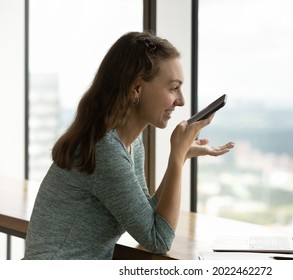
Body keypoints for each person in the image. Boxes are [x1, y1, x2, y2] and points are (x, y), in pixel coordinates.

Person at [23, 31, 234, 260]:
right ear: (136, 89)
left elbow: (148, 215)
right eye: (173, 88)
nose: (181, 100)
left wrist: (181, 157)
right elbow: (158, 240)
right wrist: (176, 155)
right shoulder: (106, 150)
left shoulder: (130, 144)